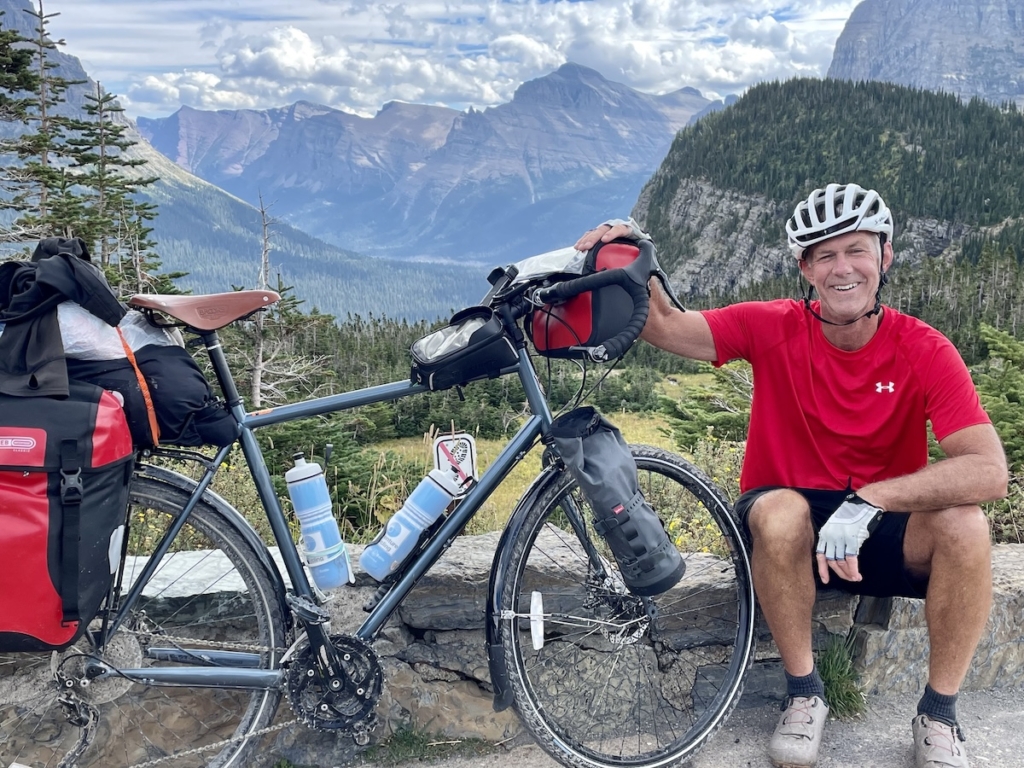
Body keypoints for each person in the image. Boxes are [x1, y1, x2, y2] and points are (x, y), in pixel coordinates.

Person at [575, 184, 1008, 768]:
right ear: (805, 268)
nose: (843, 268)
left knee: (967, 526)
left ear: (885, 255)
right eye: (824, 255)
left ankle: (939, 712)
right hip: (786, 526)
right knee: (782, 514)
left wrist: (871, 499)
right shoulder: (771, 325)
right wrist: (633, 251)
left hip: (876, 527)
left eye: (856, 250)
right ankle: (805, 693)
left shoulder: (925, 348)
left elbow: (988, 470)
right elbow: (668, 327)